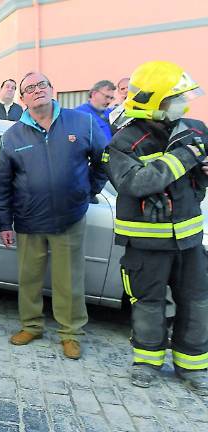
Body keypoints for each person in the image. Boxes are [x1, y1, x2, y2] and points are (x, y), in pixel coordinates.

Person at [102, 61, 208, 396]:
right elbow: (136, 182)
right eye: (175, 98)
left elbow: (197, 183)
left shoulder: (194, 129)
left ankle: (194, 366)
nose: (183, 104)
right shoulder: (124, 141)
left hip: (189, 241)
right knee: (149, 303)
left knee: (198, 302)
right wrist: (188, 158)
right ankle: (147, 363)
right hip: (146, 244)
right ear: (156, 101)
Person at [0, 71, 107, 360]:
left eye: (41, 85)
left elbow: (104, 160)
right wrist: (4, 222)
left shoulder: (82, 123)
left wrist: (85, 191)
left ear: (52, 89)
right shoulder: (13, 135)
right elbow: (1, 183)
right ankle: (31, 326)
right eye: (29, 88)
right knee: (29, 278)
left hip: (69, 217)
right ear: (23, 99)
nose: (37, 90)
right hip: (29, 220)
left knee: (69, 280)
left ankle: (70, 334)